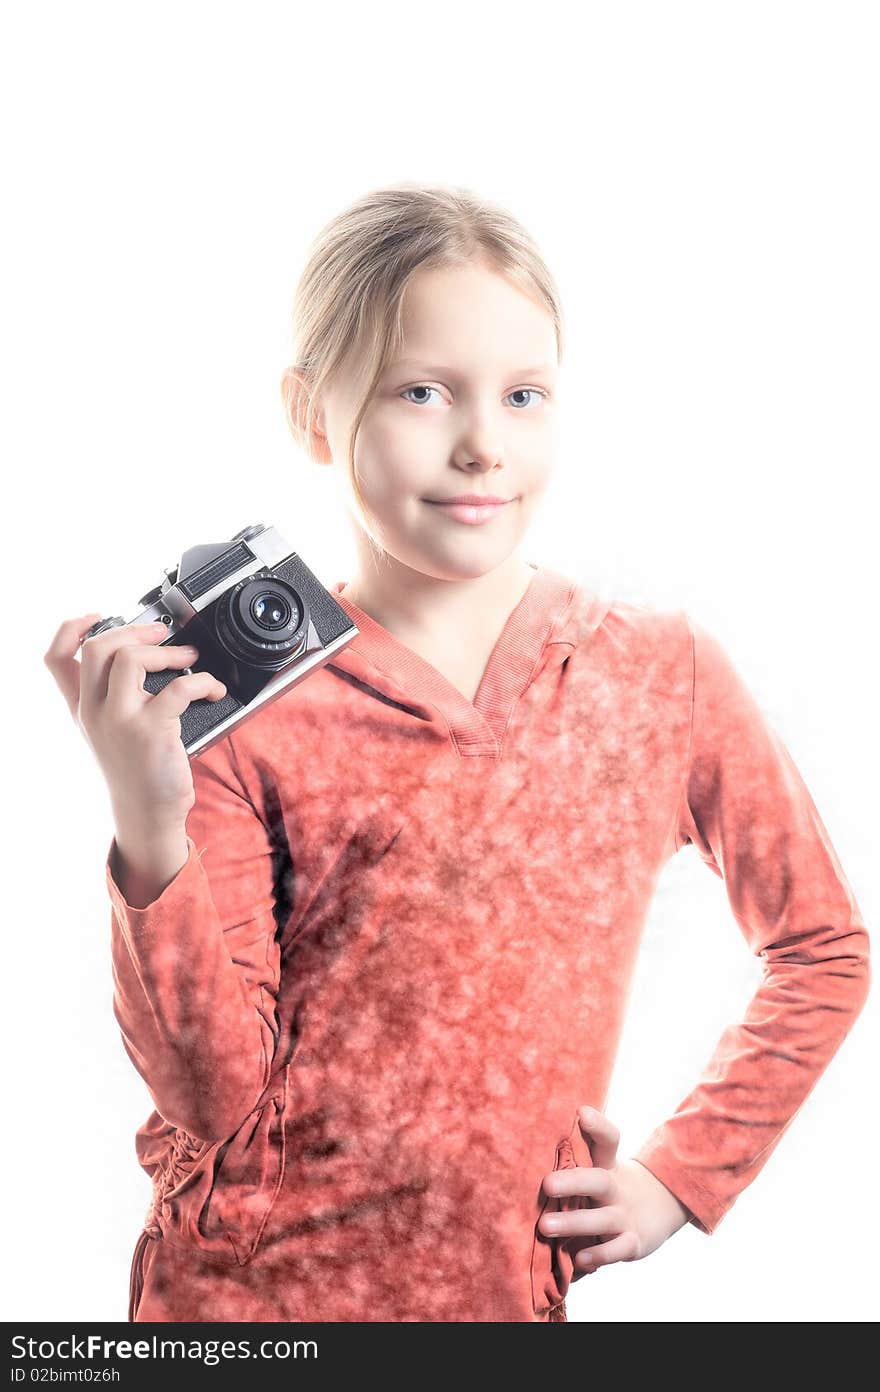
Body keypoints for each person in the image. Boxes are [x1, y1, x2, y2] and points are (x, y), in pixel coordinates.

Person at [44, 182, 871, 1323]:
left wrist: (680, 1179)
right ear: (312, 414)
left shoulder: (656, 677)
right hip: (235, 1310)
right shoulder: (243, 710)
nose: (483, 444)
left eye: (523, 395)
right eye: (421, 393)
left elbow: (822, 948)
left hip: (491, 1302)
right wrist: (148, 822)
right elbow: (214, 1102)